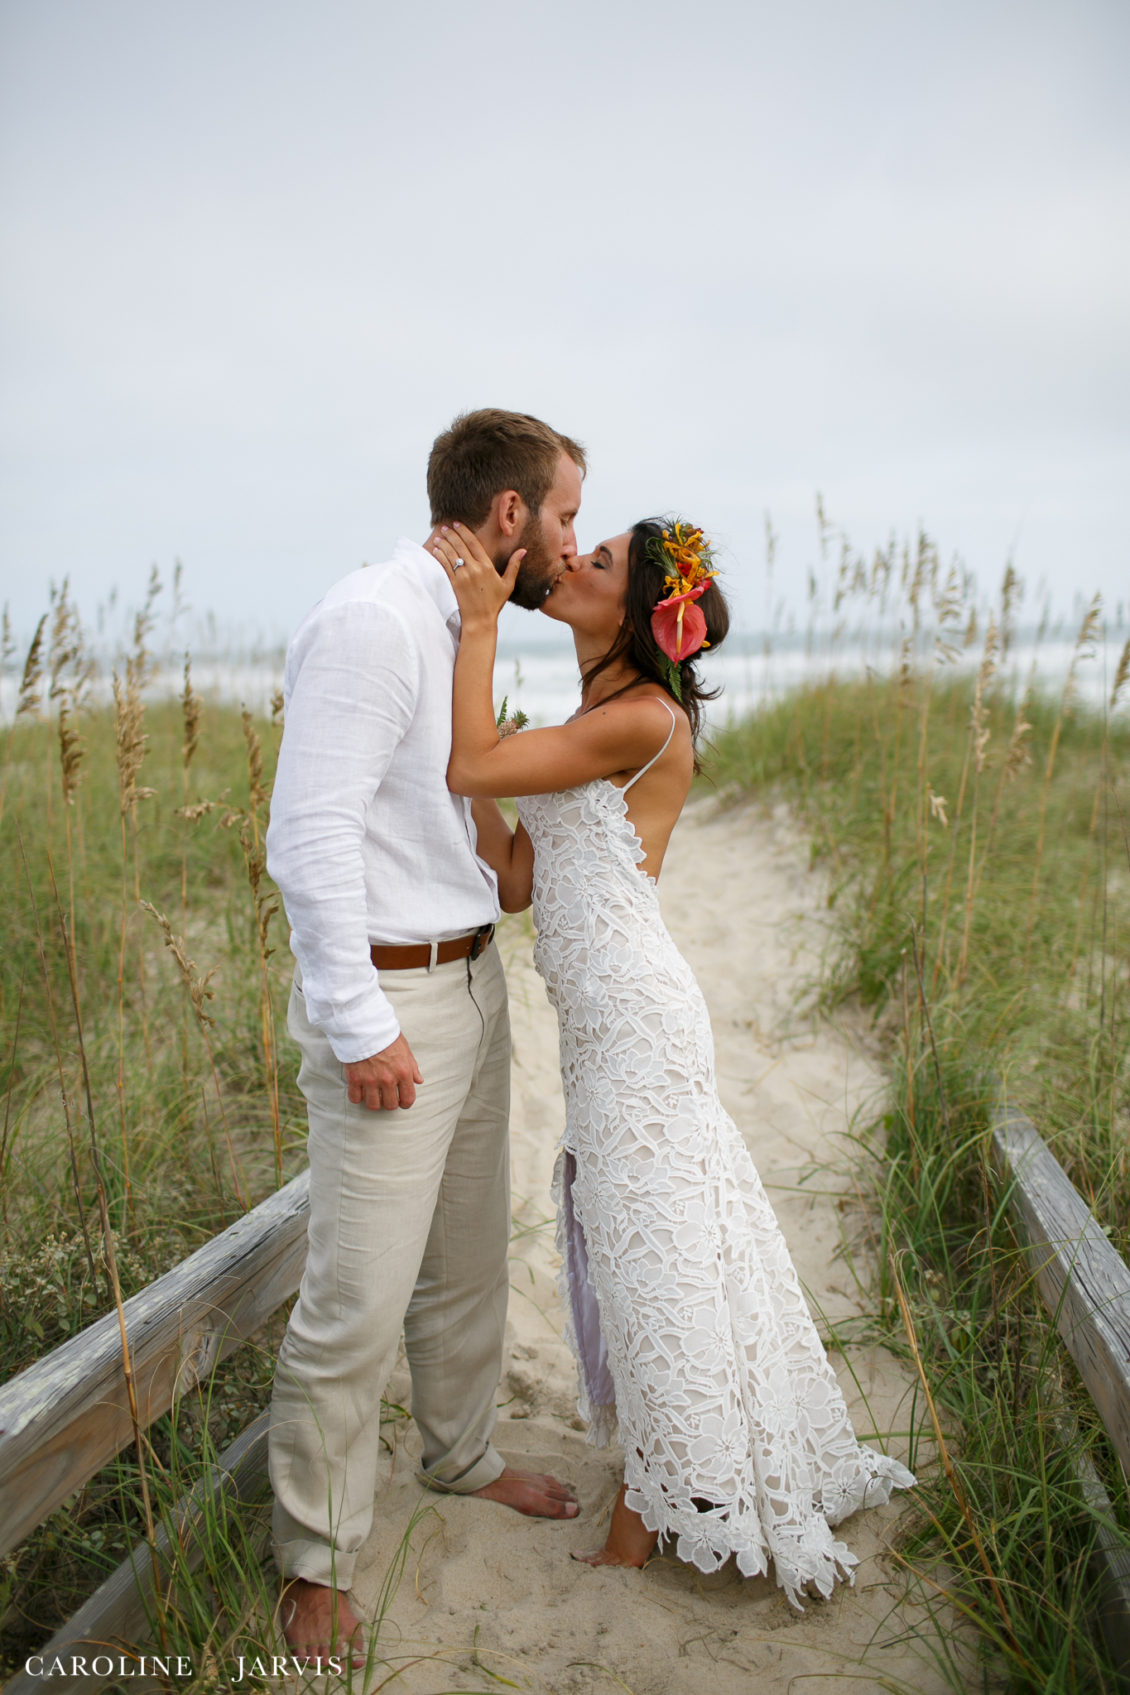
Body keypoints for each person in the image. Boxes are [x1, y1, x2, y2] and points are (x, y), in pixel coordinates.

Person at [429, 515, 915, 1603]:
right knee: (641, 1249)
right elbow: (515, 878)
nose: (571, 561)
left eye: (597, 561)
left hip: (636, 1023)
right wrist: (475, 765)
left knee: (652, 1256)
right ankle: (663, 1489)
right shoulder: (592, 717)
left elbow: (469, 761)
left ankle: (637, 1523)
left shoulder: (643, 717)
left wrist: (475, 633)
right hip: (603, 1026)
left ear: (640, 611)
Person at [264, 410, 585, 1663]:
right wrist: (359, 1026)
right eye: (562, 515)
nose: (570, 543)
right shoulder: (372, 620)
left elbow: (445, 812)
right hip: (391, 1003)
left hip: (472, 982)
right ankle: (314, 1559)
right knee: (355, 1298)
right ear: (509, 514)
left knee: (464, 1258)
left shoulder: (459, 625)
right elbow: (308, 838)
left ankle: (459, 1455)